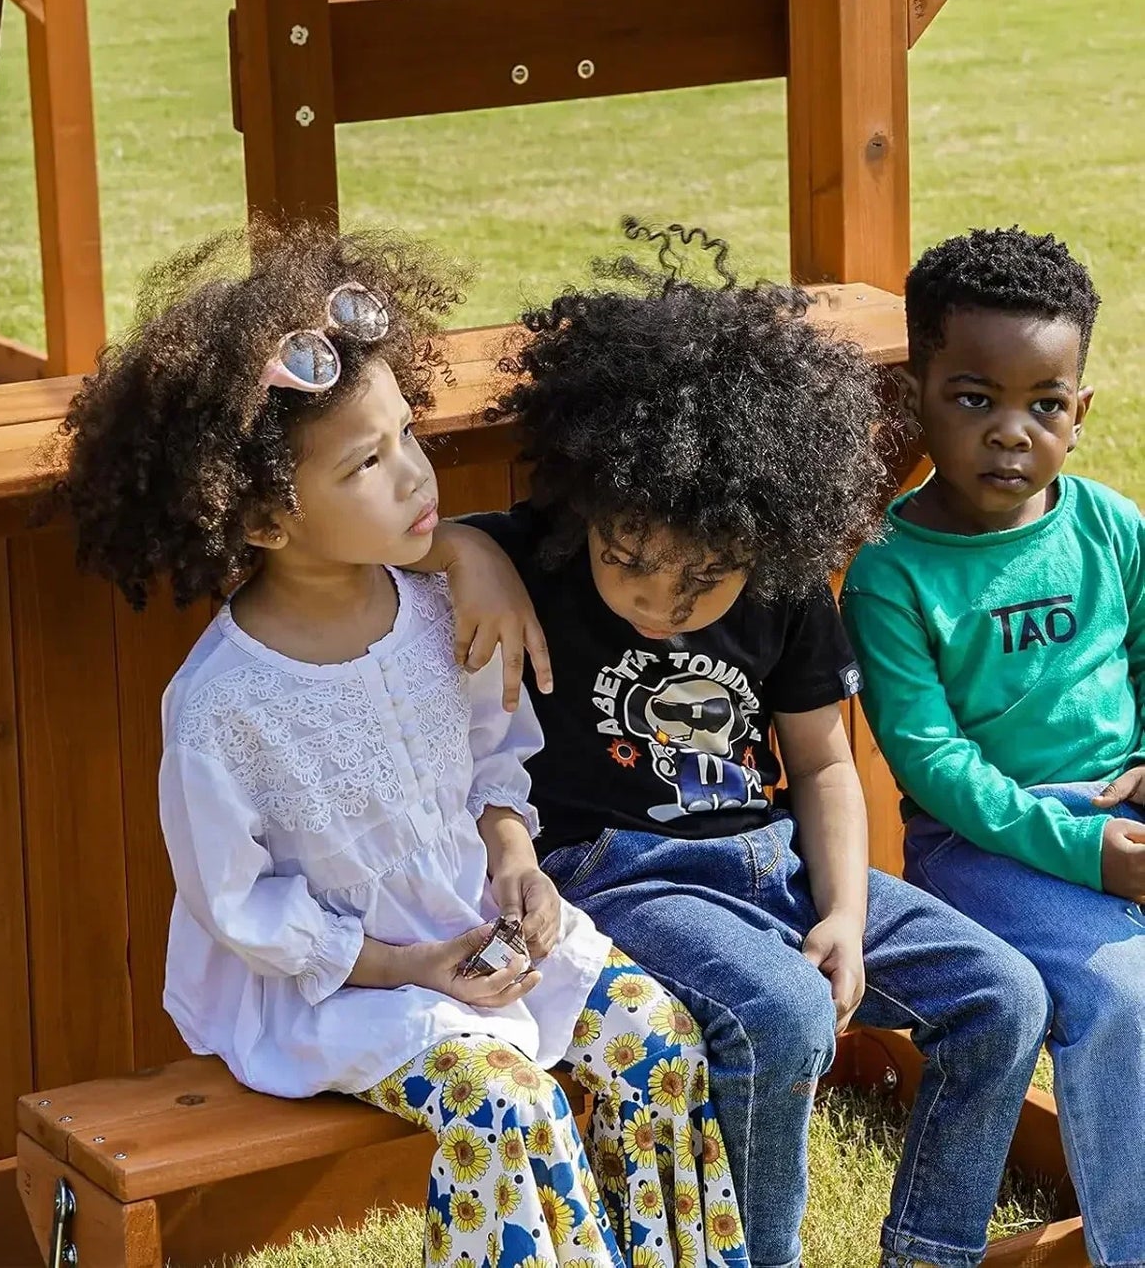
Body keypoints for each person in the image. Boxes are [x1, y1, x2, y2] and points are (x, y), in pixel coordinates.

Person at [54, 224, 750, 1268]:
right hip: (336, 989)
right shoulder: (220, 705)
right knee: (506, 1101)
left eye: (407, 435)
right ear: (264, 518)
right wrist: (410, 965)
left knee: (658, 1041)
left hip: (472, 932)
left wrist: (513, 860)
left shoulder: (436, 607)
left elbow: (493, 758)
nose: (415, 475)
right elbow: (241, 910)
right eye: (367, 463)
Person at [423, 225, 1050, 1268]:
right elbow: (400, 542)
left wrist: (843, 913)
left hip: (774, 861)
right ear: (585, 501)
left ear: (767, 536)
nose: (661, 602)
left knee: (1004, 994)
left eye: (703, 580)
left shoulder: (784, 584)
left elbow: (823, 764)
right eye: (628, 559)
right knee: (784, 1012)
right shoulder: (536, 554)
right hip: (620, 873)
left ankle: (928, 1254)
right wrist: (465, 549)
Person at [842, 226, 1145, 1268]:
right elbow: (932, 762)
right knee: (1123, 997)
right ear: (915, 400)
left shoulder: (1109, 526)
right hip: (983, 845)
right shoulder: (891, 571)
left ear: (1080, 413)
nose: (1010, 433)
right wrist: (1087, 851)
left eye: (1043, 405)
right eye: (974, 398)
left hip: (1120, 806)